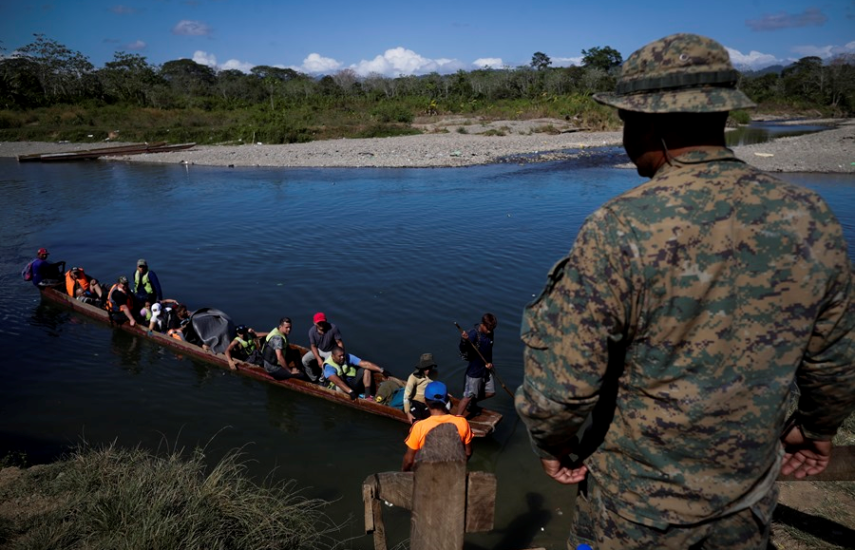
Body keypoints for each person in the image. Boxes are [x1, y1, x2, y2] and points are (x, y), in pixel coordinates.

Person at [514, 33, 855, 550]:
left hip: (637, 508)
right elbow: (833, 359)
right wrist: (819, 428)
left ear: (648, 124)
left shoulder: (621, 226)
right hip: (747, 496)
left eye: (626, 122)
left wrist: (551, 443)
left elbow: (563, 385)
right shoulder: (810, 216)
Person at [401, 381, 473, 472]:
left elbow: (409, 460)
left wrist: (404, 472)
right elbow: (468, 452)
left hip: (427, 474)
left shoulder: (419, 427)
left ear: (425, 401)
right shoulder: (462, 422)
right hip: (452, 472)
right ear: (447, 400)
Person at [456, 313, 498, 417]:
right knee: (468, 396)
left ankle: (473, 402)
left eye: (492, 328)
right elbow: (462, 349)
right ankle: (457, 418)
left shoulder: (490, 333)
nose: (490, 331)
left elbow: (488, 351)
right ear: (482, 324)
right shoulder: (473, 334)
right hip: (474, 371)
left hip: (487, 369)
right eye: (488, 328)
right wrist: (464, 340)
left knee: (491, 392)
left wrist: (490, 364)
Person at [323, 346, 387, 399]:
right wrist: (350, 392)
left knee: (367, 369)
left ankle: (368, 396)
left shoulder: (347, 357)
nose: (342, 358)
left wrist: (381, 370)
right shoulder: (329, 366)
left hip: (351, 382)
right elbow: (338, 382)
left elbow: (365, 364)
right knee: (339, 387)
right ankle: (350, 396)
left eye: (343, 355)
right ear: (333, 356)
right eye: (339, 356)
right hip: (339, 386)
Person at [301, 312, 343, 382]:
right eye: (319, 323)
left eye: (323, 322)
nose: (321, 324)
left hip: (331, 351)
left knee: (326, 367)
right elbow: (313, 346)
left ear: (326, 320)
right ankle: (313, 378)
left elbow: (339, 343)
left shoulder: (333, 328)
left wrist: (341, 355)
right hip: (319, 350)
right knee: (304, 360)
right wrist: (318, 359)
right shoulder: (312, 331)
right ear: (314, 323)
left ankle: (325, 380)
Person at [403, 353, 440, 423]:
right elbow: (406, 396)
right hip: (416, 402)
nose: (428, 371)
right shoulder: (413, 377)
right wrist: (408, 413)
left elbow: (434, 384)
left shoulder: (435, 373)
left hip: (428, 401)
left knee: (434, 419)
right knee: (417, 423)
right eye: (425, 368)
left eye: (430, 367)